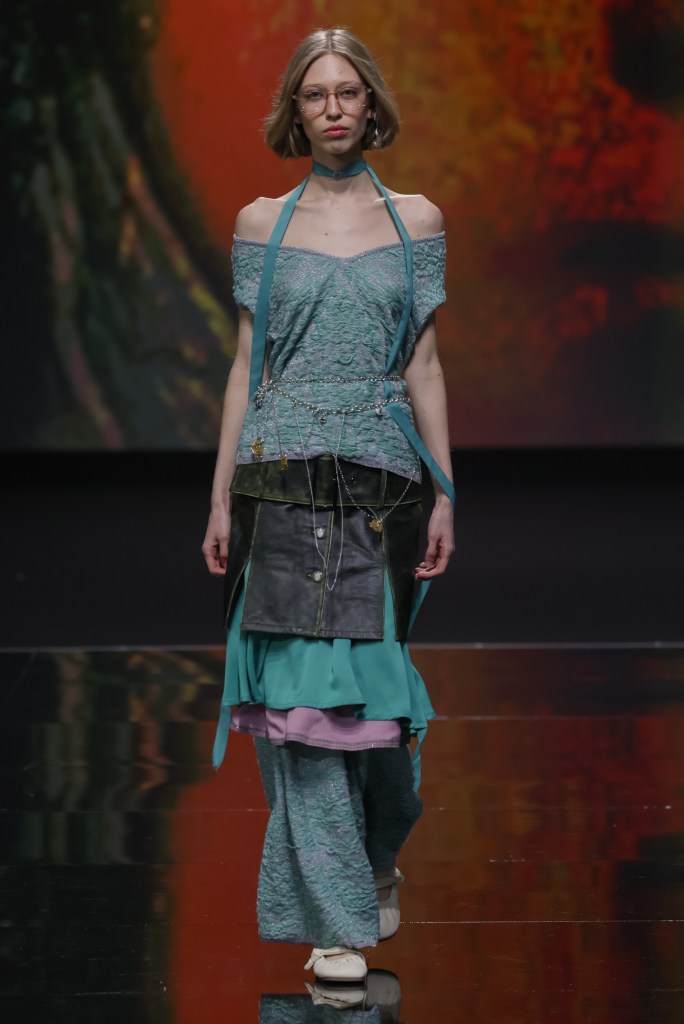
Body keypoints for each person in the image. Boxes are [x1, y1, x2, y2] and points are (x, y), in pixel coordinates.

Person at [201, 26, 454, 991]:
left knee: (374, 709)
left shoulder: (415, 221)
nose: (335, 107)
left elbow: (425, 363)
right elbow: (245, 365)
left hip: (384, 486)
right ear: (296, 113)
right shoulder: (260, 223)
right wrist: (219, 495)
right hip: (277, 479)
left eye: (349, 91)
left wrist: (446, 495)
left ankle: (378, 848)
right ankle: (337, 919)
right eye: (316, 94)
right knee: (301, 708)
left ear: (372, 104)